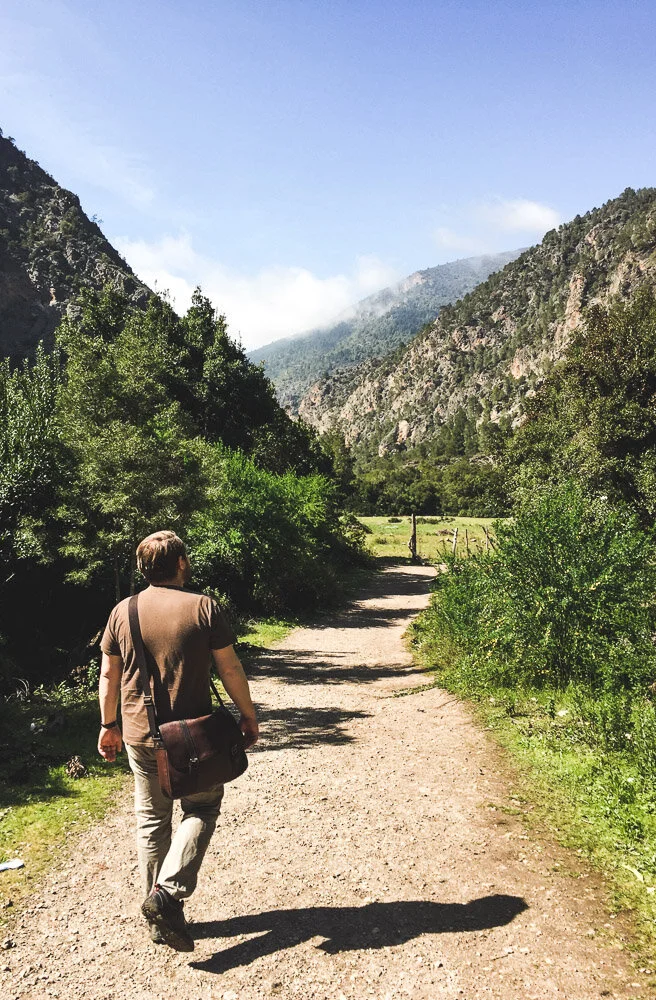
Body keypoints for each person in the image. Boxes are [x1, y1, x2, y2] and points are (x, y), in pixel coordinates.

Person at [97, 530, 259, 952]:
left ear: (142, 568)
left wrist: (107, 724)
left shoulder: (122, 611)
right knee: (202, 806)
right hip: (193, 738)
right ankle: (166, 896)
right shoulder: (203, 607)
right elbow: (230, 668)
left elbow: (109, 676)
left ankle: (158, 917)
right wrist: (247, 714)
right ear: (182, 563)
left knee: (152, 820)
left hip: (139, 735)